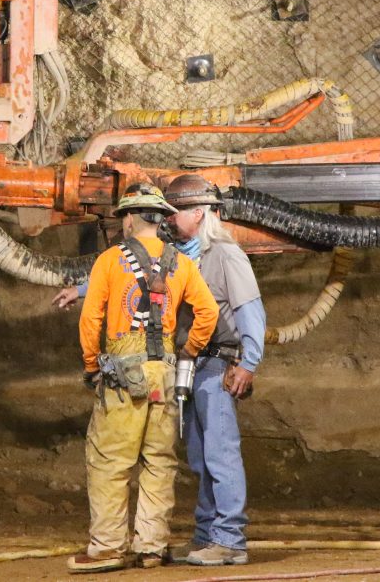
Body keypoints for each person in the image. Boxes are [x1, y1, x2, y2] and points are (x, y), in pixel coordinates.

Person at [69, 184, 219, 573]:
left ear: (131, 218)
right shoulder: (182, 264)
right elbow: (207, 313)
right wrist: (188, 351)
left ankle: (107, 548)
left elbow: (91, 319)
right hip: (164, 372)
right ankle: (151, 547)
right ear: (160, 218)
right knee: (158, 461)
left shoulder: (109, 261)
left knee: (110, 462)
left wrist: (90, 365)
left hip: (122, 372)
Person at [162, 174, 265, 568]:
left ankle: (230, 540)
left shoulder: (224, 255)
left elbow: (249, 310)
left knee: (220, 454)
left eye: (177, 213)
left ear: (200, 213)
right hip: (192, 365)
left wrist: (248, 362)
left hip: (219, 363)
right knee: (201, 457)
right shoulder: (184, 256)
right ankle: (207, 536)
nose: (170, 220)